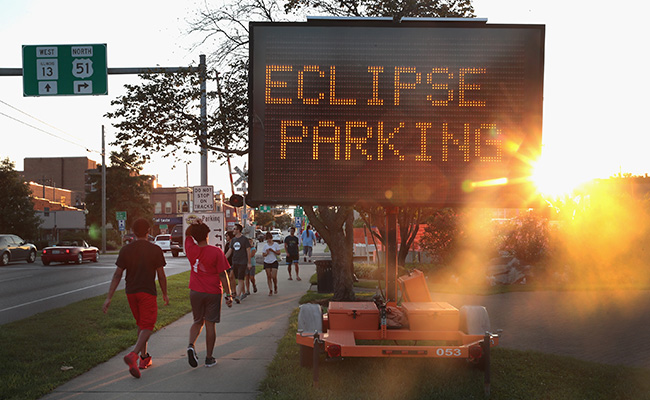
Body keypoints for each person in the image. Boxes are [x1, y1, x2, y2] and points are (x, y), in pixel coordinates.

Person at [103, 218, 169, 379]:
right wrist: (165, 294)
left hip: (131, 292)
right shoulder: (155, 249)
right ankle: (133, 355)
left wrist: (109, 297)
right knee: (148, 325)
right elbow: (161, 275)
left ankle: (144, 358)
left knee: (141, 324)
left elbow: (117, 274)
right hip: (147, 292)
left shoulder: (126, 250)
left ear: (133, 231)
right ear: (149, 231)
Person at [185, 219, 233, 368]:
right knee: (210, 324)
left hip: (195, 292)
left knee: (197, 321)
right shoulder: (216, 251)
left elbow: (187, 234)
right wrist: (229, 295)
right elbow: (223, 275)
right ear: (207, 235)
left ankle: (191, 346)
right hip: (213, 292)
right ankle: (209, 358)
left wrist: (193, 225)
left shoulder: (190, 248)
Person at [224, 224, 251, 302]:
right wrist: (223, 259)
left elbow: (248, 251)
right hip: (234, 262)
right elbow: (230, 251)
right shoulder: (233, 240)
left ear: (238, 230)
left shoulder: (244, 239)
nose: (233, 230)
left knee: (240, 278)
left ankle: (238, 296)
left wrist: (249, 262)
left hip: (242, 262)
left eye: (234, 229)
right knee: (231, 276)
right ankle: (234, 292)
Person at [223, 230, 237, 301]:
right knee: (229, 278)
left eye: (227, 236)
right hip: (228, 263)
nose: (226, 237)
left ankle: (234, 292)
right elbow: (225, 254)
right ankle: (230, 291)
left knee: (232, 276)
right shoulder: (227, 245)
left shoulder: (235, 244)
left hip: (234, 262)